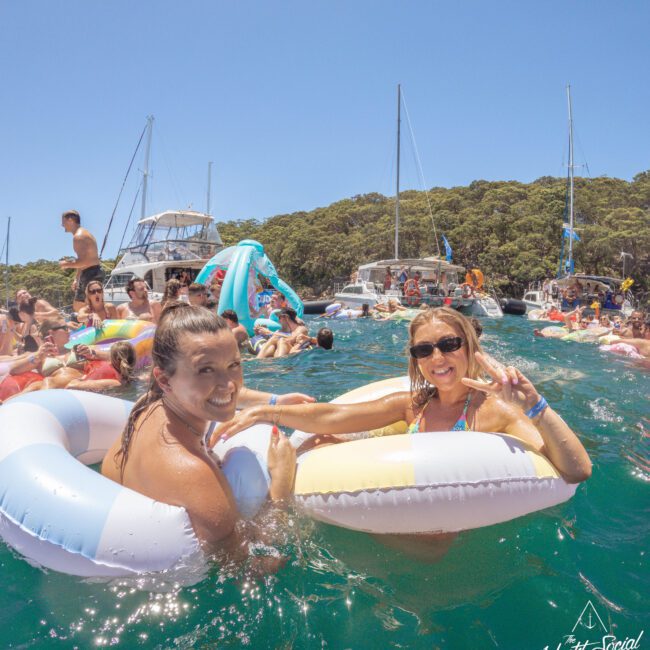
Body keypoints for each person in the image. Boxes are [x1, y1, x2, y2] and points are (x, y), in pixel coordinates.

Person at [214, 307, 592, 488]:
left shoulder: (496, 412)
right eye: (423, 351)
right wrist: (267, 411)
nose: (437, 358)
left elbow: (577, 471)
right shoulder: (414, 404)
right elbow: (332, 416)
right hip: (402, 523)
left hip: (443, 544)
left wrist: (534, 404)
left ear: (469, 346)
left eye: (449, 344)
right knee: (322, 440)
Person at [101, 303, 296, 548]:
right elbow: (254, 573)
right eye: (205, 370)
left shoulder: (146, 407)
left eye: (234, 365)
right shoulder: (193, 471)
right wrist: (281, 486)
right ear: (164, 379)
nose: (229, 385)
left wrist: (275, 401)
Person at [59, 210, 104, 314]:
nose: (62, 225)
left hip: (91, 273)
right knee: (82, 305)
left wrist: (66, 264)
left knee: (82, 306)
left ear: (70, 220)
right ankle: (91, 324)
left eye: (63, 222)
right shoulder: (82, 234)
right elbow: (82, 260)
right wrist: (77, 278)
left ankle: (95, 325)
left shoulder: (79, 237)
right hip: (91, 272)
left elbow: (84, 261)